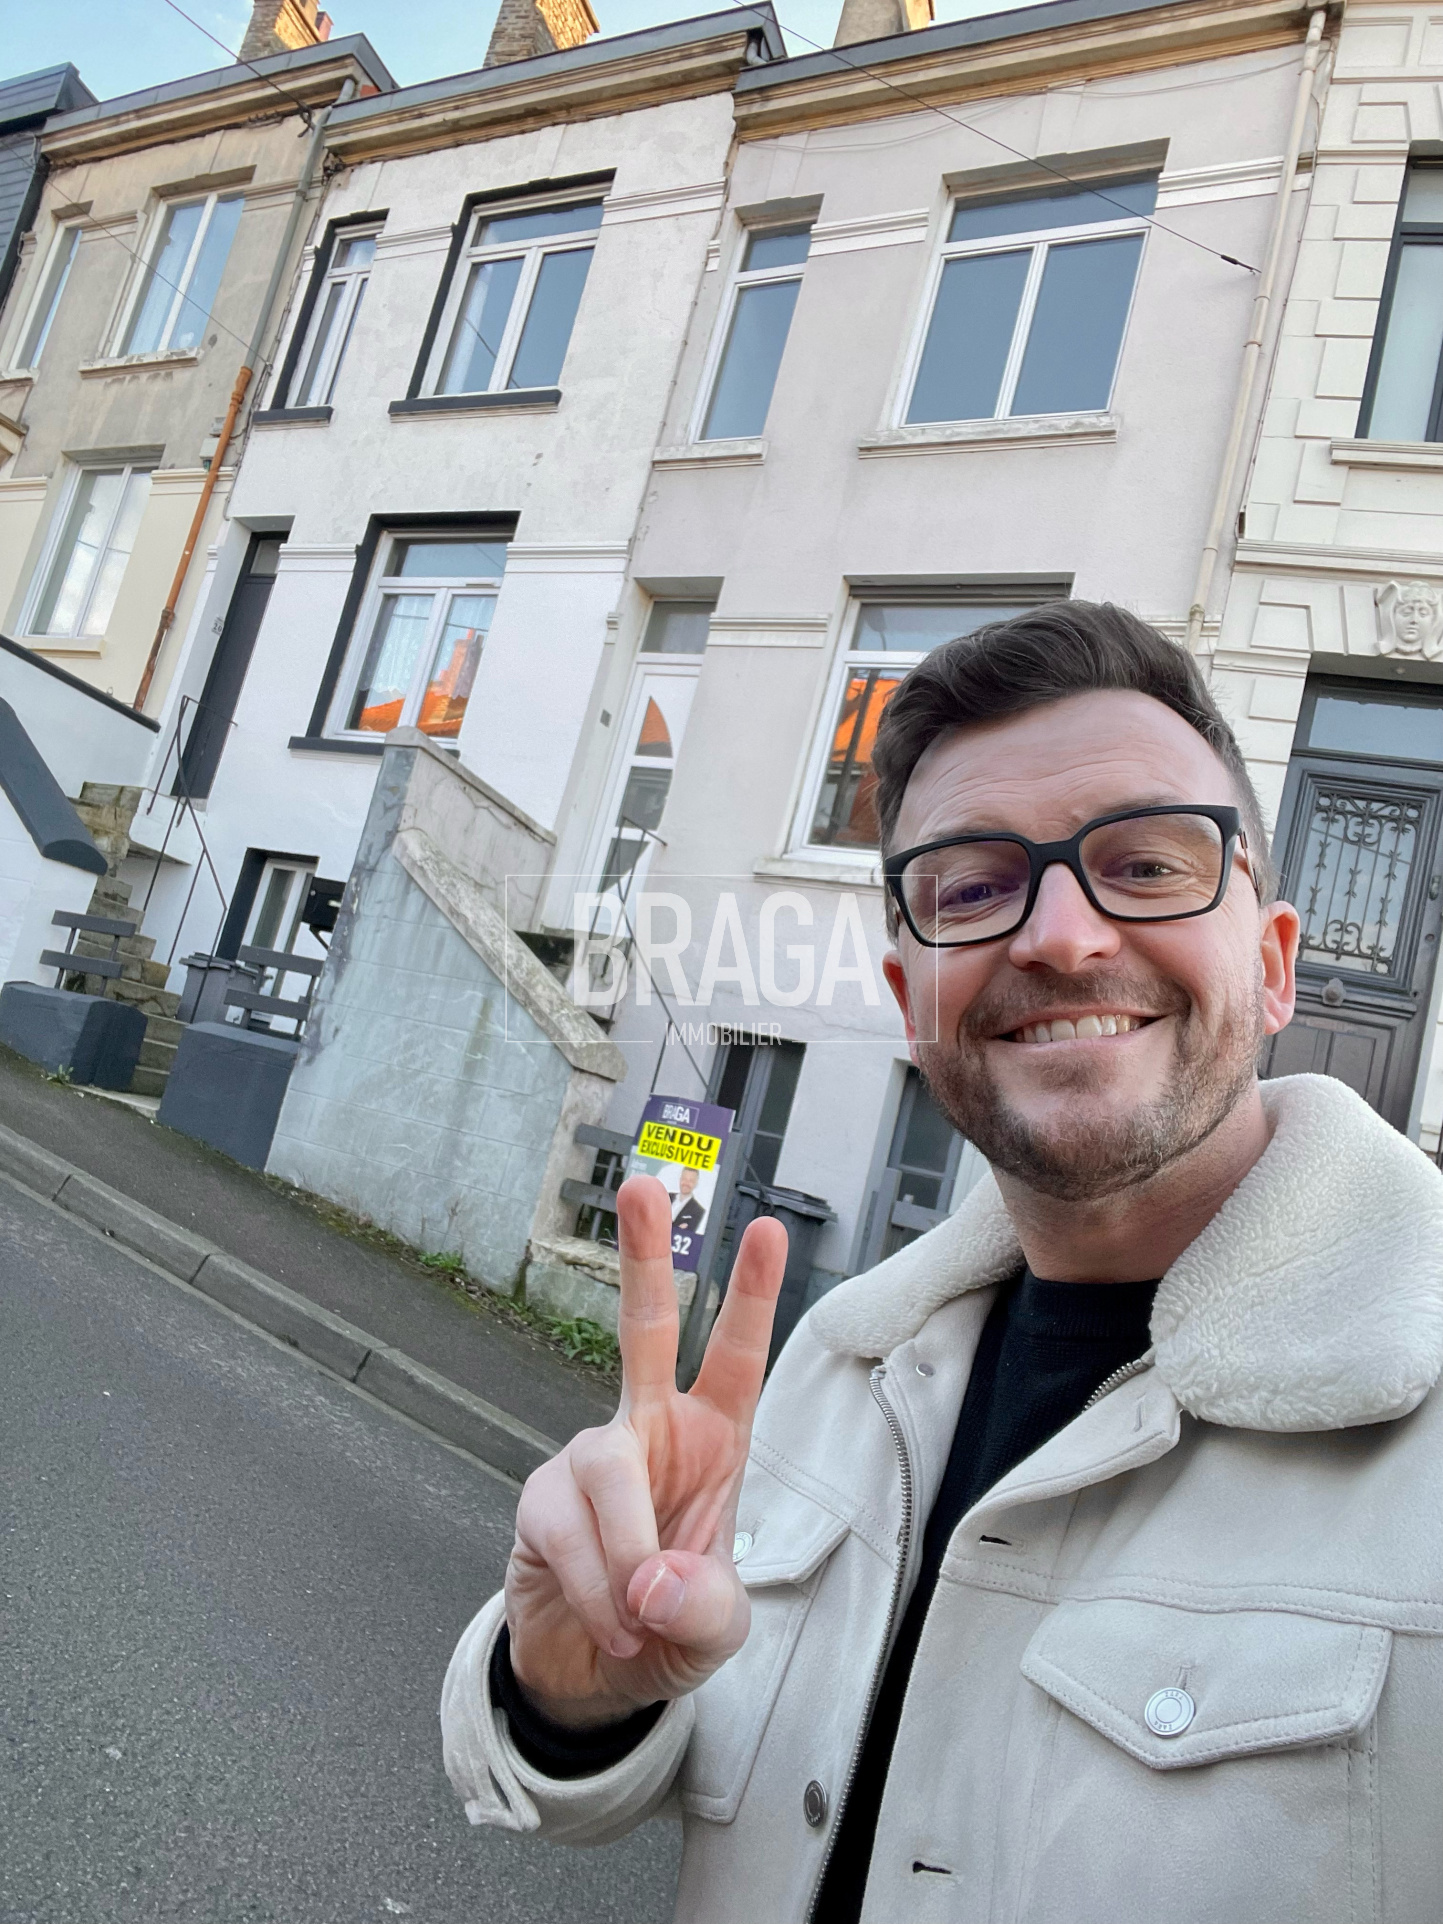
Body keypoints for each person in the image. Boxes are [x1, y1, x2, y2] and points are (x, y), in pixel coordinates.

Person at [441, 602, 1443, 1923]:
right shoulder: (834, 1367)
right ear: (907, 997)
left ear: (1271, 966)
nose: (1061, 937)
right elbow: (688, 1765)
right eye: (970, 888)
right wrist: (572, 1696)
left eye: (1147, 863)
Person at [670, 1162, 706, 1238]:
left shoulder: (698, 1211)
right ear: (680, 1179)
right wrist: (676, 1227)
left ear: (696, 1183)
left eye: (691, 1181)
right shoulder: (665, 1196)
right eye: (684, 1179)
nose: (686, 1183)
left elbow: (685, 1234)